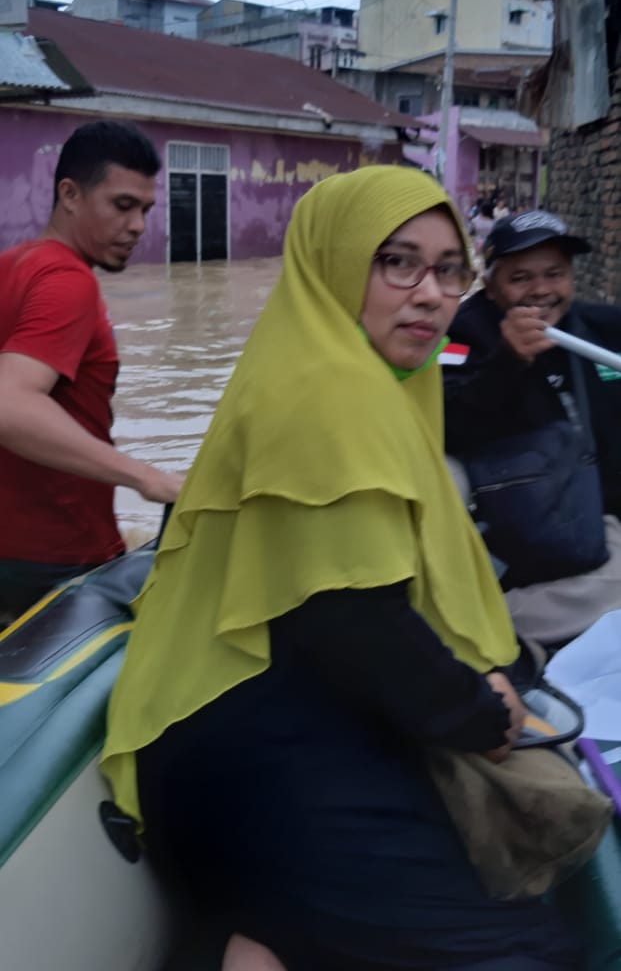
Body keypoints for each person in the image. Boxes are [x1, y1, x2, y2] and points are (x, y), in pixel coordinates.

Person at [102, 167, 580, 971]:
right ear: (330, 262)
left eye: (448, 269)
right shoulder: (325, 390)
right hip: (257, 757)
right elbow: (352, 617)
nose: (429, 293)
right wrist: (480, 712)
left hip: (269, 721)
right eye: (395, 262)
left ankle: (270, 930)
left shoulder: (348, 378)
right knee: (528, 953)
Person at [0, 120, 184, 617]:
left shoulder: (11, 266)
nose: (138, 226)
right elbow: (10, 404)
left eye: (145, 210)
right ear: (70, 194)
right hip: (58, 560)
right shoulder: (69, 281)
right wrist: (147, 478)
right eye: (122, 205)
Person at [443, 209, 621, 646]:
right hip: (521, 534)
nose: (541, 290)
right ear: (490, 284)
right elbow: (447, 423)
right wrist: (508, 362)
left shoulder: (597, 327)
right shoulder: (460, 335)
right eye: (520, 278)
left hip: (600, 521)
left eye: (555, 274)